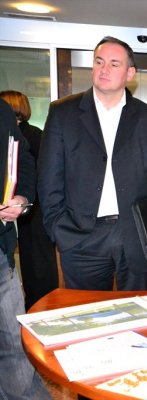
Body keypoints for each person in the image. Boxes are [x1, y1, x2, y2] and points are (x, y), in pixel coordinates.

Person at [38, 36, 147, 291]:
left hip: (137, 234)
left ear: (130, 73)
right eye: (99, 62)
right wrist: (59, 229)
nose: (104, 69)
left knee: (139, 309)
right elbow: (48, 178)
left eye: (114, 64)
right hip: (81, 237)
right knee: (88, 312)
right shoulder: (62, 113)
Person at [0, 98, 51, 399]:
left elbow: (23, 161)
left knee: (14, 342)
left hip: (1, 253)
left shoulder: (2, 112)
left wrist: (21, 197)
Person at [0, 90, 58, 310]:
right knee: (33, 261)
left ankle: (42, 305)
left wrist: (23, 198)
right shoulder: (33, 132)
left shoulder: (29, 134)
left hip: (35, 209)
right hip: (29, 208)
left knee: (37, 263)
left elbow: (38, 170)